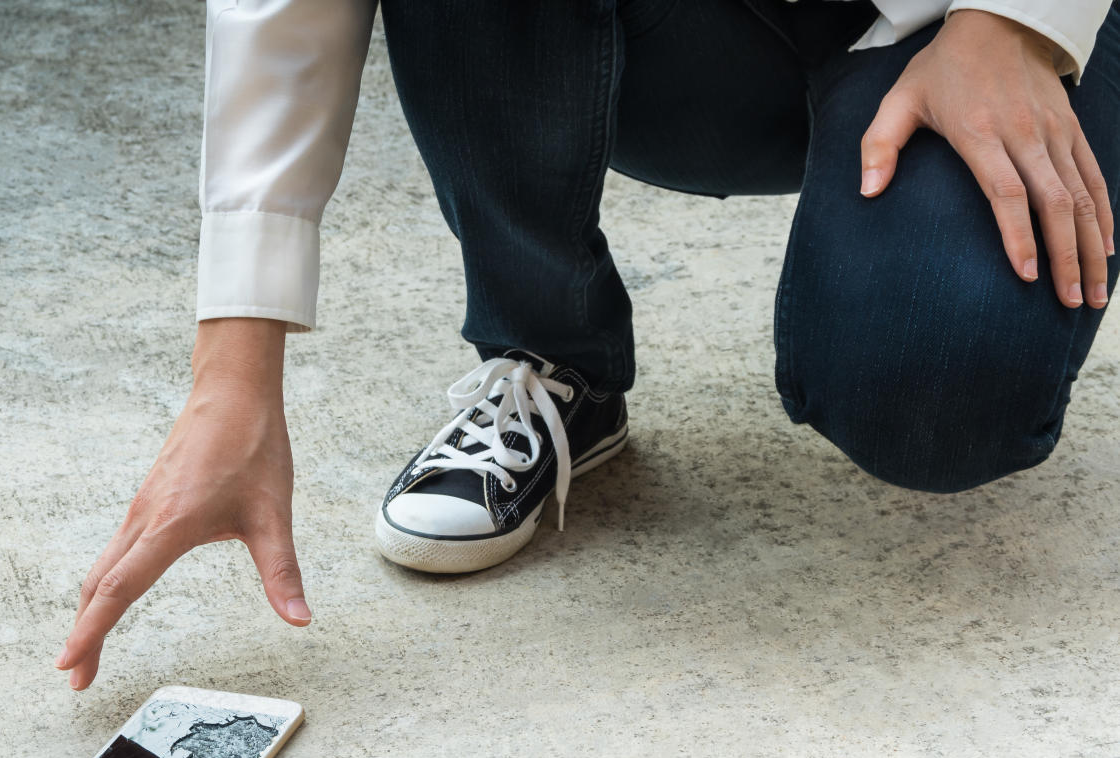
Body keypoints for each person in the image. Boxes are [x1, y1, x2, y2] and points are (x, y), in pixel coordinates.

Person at [56, 0, 1117, 689]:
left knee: (935, 391)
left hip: (971, 24)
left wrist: (1018, 22)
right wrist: (233, 374)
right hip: (693, 40)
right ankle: (550, 353)